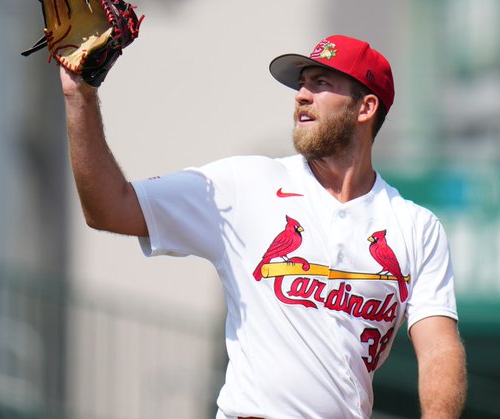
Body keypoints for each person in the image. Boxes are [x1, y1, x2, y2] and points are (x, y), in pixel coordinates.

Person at [60, 34, 467, 419]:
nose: (301, 95)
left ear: (366, 108)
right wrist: (80, 95)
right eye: (301, 84)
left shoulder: (415, 226)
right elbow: (110, 208)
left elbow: (438, 348)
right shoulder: (248, 182)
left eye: (321, 83)